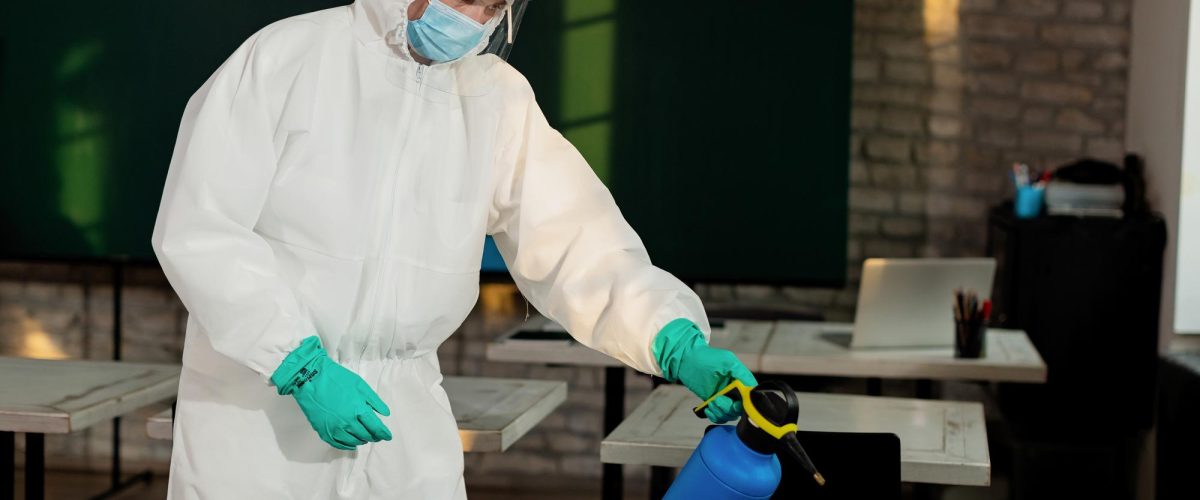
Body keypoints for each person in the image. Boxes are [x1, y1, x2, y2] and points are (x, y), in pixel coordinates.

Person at [151, 0, 758, 498]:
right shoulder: (288, 58)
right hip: (259, 420)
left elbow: (576, 239)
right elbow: (200, 228)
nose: (476, 18)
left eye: (494, 5)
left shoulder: (495, 99)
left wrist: (673, 339)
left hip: (403, 424)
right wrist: (296, 363)